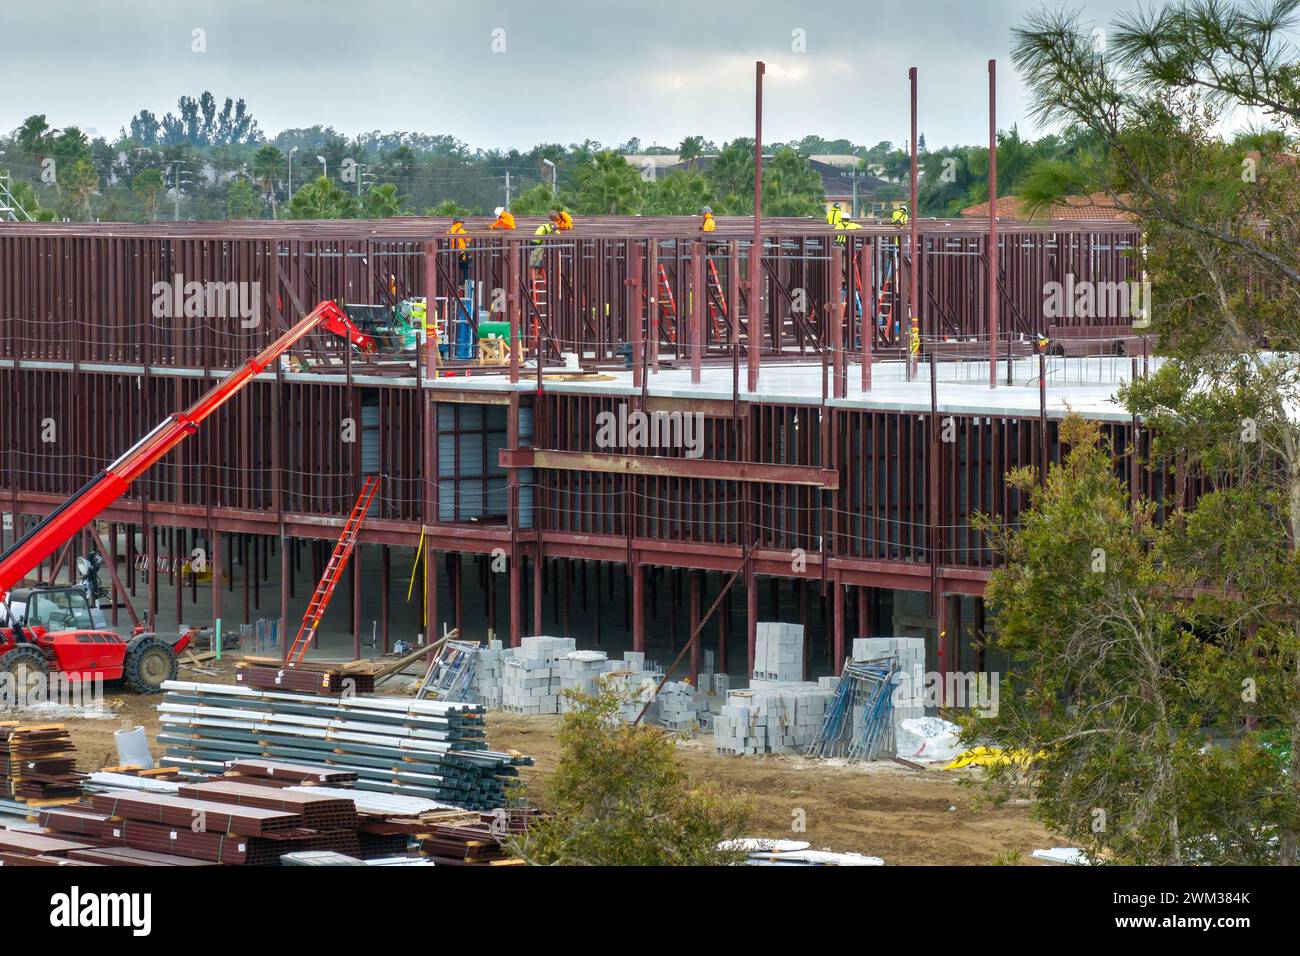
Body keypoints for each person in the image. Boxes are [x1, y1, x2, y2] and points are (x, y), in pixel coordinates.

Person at [447, 217, 471, 282]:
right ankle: (464, 281)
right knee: (465, 267)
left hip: (453, 252)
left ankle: (456, 281)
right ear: (457, 223)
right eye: (461, 222)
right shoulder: (461, 231)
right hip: (462, 252)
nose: (461, 224)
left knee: (456, 267)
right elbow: (468, 239)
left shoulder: (449, 231)